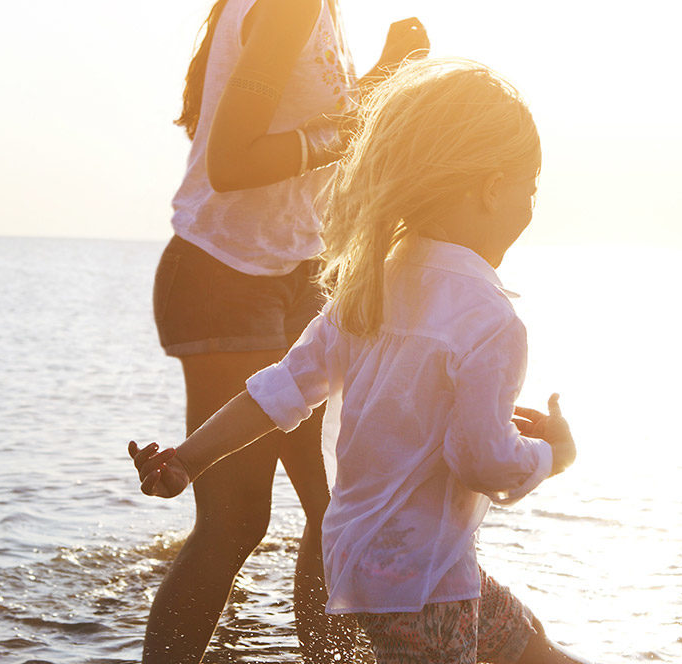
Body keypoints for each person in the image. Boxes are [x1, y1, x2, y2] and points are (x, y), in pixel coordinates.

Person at [133, 58, 591, 664]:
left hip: (367, 564)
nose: (531, 208)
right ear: (490, 188)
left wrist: (188, 460)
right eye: (529, 188)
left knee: (529, 650)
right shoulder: (491, 320)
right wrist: (551, 455)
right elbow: (481, 460)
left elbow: (276, 394)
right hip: (427, 587)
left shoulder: (370, 290)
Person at [150, 0, 428, 661]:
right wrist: (370, 105)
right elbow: (232, 163)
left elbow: (310, 129)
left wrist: (386, 75)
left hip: (300, 272)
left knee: (332, 508)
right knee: (236, 520)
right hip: (224, 277)